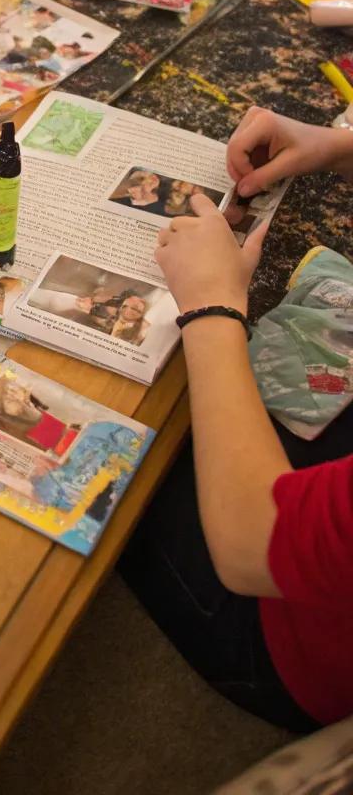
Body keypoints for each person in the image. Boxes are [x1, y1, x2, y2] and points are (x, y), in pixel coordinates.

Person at [120, 106, 353, 730]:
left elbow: (252, 542)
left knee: (117, 443)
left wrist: (213, 305)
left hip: (292, 641)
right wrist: (338, 147)